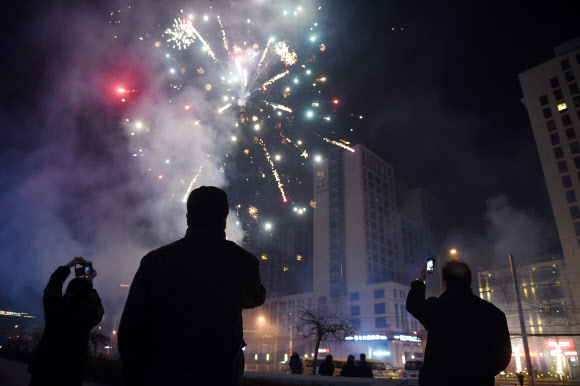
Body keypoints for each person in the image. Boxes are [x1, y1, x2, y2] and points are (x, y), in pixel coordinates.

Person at [118, 186, 266, 386]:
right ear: (224, 219)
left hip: (164, 375)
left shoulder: (156, 261)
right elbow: (255, 297)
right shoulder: (243, 262)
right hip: (220, 376)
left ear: (188, 218)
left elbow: (131, 329)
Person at [406, 258, 512, 386]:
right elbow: (503, 357)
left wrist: (422, 277)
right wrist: (482, 373)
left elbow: (413, 304)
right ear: (468, 281)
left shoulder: (438, 308)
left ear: (445, 282)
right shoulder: (494, 313)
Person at [28, 257, 103, 386]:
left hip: (44, 368)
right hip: (71, 372)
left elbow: (52, 286)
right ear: (88, 295)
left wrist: (68, 266)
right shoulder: (88, 317)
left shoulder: (54, 309)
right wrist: (89, 283)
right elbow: (99, 307)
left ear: (68, 291)